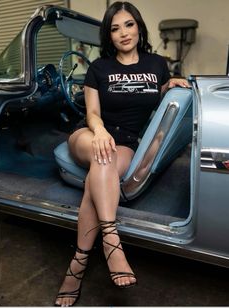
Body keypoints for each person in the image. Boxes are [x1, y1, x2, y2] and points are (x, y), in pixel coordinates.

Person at [55, 1, 190, 306]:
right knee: (102, 155)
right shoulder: (99, 68)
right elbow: (91, 112)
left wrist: (170, 85)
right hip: (90, 134)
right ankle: (111, 240)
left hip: (126, 142)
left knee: (99, 177)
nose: (123, 33)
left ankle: (76, 265)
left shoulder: (156, 64)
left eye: (128, 24)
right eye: (115, 28)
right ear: (109, 36)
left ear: (139, 27)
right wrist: (100, 131)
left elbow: (154, 96)